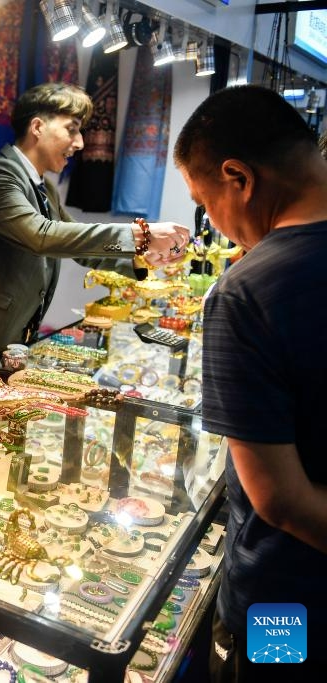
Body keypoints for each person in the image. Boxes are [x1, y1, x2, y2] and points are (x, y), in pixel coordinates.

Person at [174, 85, 327, 682]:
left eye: (202, 201)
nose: (212, 222)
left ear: (237, 177)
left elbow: (281, 501)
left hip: (285, 604)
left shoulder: (248, 290)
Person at [0, 83, 191, 376]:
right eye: (72, 129)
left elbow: (78, 243)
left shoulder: (43, 186)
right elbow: (42, 236)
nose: (81, 143)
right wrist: (139, 234)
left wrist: (140, 257)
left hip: (13, 344)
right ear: (37, 127)